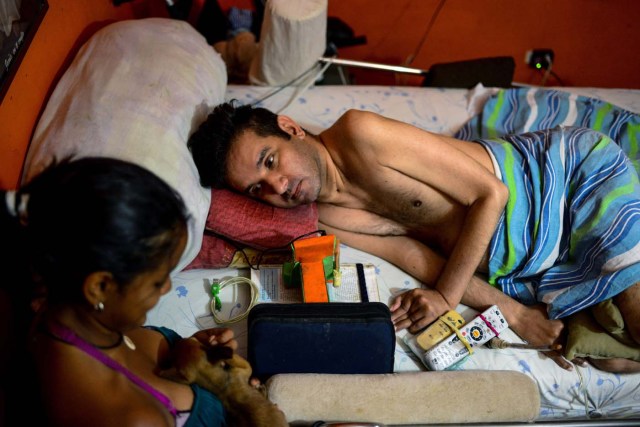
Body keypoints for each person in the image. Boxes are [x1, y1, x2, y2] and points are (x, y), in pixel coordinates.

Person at [188, 101, 640, 374]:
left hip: (562, 179)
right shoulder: (325, 215)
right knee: (604, 353)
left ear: (290, 128)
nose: (277, 186)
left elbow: (492, 192)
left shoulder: (360, 134)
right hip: (515, 250)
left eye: (270, 161)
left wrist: (446, 296)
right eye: (257, 190)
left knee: (635, 319)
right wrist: (518, 315)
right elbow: (409, 252)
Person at [0, 157, 240, 426]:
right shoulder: (131, 418)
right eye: (158, 281)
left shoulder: (68, 320)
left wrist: (192, 352)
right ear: (100, 288)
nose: (168, 287)